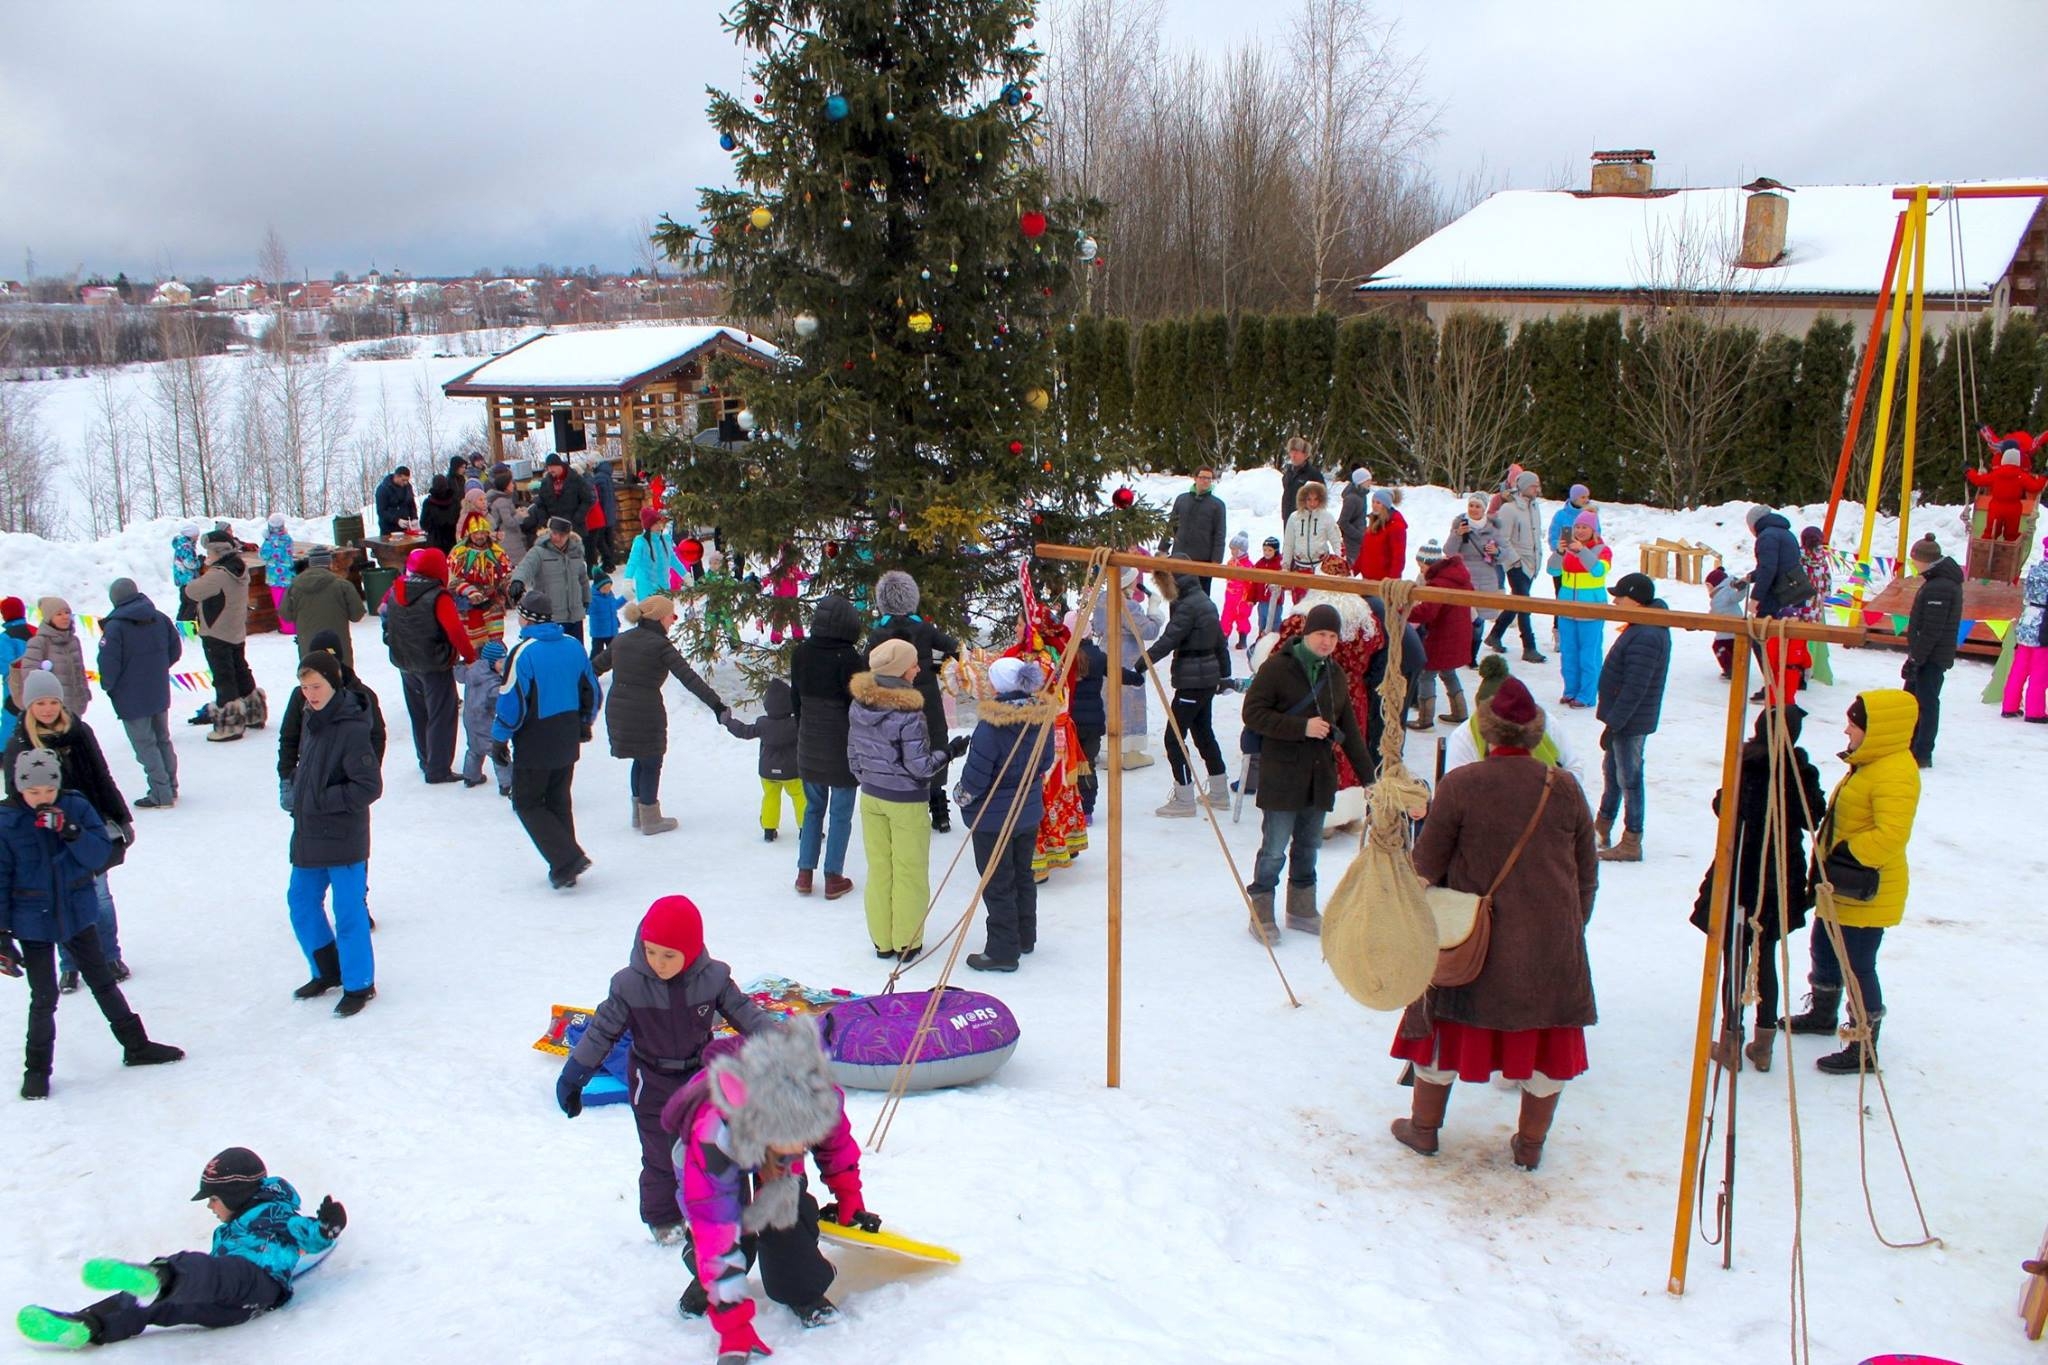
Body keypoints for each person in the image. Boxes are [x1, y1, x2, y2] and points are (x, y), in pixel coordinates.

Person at [1389, 676, 1599, 1170]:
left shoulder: (1462, 784)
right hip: (1548, 940)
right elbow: (1587, 872)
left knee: (1442, 1027)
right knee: (1547, 1046)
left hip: (1471, 938)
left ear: (1487, 731)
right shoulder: (1565, 787)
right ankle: (1530, 1145)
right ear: (1534, 735)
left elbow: (1425, 866)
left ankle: (1423, 1130)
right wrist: (1571, 929)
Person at [555, 895, 774, 1243]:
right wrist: (574, 1075)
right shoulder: (629, 985)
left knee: (709, 1147)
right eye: (650, 951)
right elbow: (603, 1030)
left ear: (690, 951)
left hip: (699, 1078)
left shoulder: (712, 979)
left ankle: (716, 1211)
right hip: (650, 1080)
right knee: (659, 1154)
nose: (658, 962)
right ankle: (663, 1218)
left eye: (669, 955)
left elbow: (746, 1013)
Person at [659, 1023, 869, 1351]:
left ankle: (800, 1288)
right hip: (713, 1149)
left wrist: (849, 1196)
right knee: (729, 1238)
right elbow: (714, 1230)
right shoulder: (711, 1138)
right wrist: (734, 1330)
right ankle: (706, 1283)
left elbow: (836, 1142)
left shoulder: (816, 1095)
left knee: (785, 1215)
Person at [13, 1148, 341, 1347]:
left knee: (199, 1269)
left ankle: (162, 1276)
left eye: (213, 1198)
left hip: (259, 1283)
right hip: (227, 1305)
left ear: (237, 1194)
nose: (210, 1206)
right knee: (152, 1304)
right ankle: (87, 1326)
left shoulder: (274, 1213)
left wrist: (326, 1227)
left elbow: (308, 1234)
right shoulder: (228, 1231)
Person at [1, 748, 182, 1100]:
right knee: (43, 997)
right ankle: (36, 1069)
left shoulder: (75, 806)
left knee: (103, 981)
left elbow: (99, 855)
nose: (41, 798)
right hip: (31, 921)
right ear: (19, 787)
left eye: (47, 790)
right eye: (33, 792)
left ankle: (136, 1045)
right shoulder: (7, 822)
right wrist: (3, 934)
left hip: (77, 912)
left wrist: (70, 831)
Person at [1785, 691, 1921, 1073]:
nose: (1846, 729)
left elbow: (1892, 833)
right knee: (1824, 949)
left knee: (1857, 964)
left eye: (1855, 724)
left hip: (1865, 889)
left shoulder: (1895, 772)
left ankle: (1864, 1043)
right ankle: (1823, 1013)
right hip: (1840, 885)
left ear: (1876, 731)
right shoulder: (1871, 763)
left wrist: (1846, 852)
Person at [1694, 706, 1826, 1074]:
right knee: (1766, 953)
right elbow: (1814, 817)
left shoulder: (1746, 764)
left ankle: (1732, 1039)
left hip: (1741, 871)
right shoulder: (1798, 771)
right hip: (1778, 875)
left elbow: (1724, 806)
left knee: (1735, 956)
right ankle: (1763, 1044)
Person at [1239, 602, 1375, 944]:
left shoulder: (1335, 676)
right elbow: (1253, 713)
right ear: (1307, 634)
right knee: (1273, 849)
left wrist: (1369, 778)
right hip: (1282, 776)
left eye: (1332, 635)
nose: (1327, 642)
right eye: (1321, 634)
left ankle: (1301, 909)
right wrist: (1301, 727)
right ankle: (1261, 912)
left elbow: (1352, 732)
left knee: (1308, 847)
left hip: (1318, 777)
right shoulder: (1277, 669)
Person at [5, 670, 136, 991]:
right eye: (40, 703)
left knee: (100, 895)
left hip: (88, 826)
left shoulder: (79, 732)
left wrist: (120, 816)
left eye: (53, 702)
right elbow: (14, 796)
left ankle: (110, 955)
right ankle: (69, 964)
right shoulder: (19, 742)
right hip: (45, 834)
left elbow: (101, 775)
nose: (48, 709)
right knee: (60, 895)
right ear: (29, 705)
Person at [849, 639, 967, 959]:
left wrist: (872, 779)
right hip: (905, 802)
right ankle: (907, 942)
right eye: (914, 663)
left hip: (871, 798)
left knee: (879, 870)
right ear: (900, 670)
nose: (918, 668)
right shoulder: (909, 712)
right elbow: (920, 767)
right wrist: (950, 752)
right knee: (909, 871)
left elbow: (853, 756)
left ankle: (882, 940)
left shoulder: (859, 704)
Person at [280, 652, 382, 1017]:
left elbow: (369, 787)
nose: (310, 694)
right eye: (304, 687)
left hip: (343, 836)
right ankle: (327, 970)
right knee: (301, 902)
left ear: (333, 683)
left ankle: (359, 984)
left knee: (348, 911)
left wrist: (322, 799)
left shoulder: (352, 727)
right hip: (309, 832)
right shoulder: (311, 719)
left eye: (317, 686)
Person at [957, 657, 1060, 972]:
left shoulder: (992, 726)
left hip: (993, 819)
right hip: (1027, 811)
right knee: (1022, 874)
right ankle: (1024, 936)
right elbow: (1045, 761)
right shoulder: (1041, 717)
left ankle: (1002, 951)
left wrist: (960, 796)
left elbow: (976, 779)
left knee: (998, 882)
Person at [493, 591, 602, 889]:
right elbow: (592, 690)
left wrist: (499, 739)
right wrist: (584, 723)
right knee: (558, 799)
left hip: (535, 738)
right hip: (567, 733)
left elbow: (511, 703)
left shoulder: (523, 652)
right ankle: (565, 866)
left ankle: (567, 859)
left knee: (526, 801)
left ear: (526, 618)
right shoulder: (573, 646)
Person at [601, 594, 728, 834]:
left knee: (640, 758)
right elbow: (689, 678)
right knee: (651, 759)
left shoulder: (621, 640)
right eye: (672, 615)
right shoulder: (660, 645)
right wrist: (717, 705)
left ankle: (639, 815)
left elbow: (593, 668)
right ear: (659, 617)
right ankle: (650, 818)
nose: (673, 620)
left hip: (618, 706)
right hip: (645, 708)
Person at [865, 570, 964, 834]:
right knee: (932, 743)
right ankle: (939, 810)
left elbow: (865, 665)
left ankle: (902, 804)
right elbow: (954, 646)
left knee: (897, 746)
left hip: (891, 699)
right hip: (926, 698)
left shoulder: (878, 634)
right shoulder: (923, 628)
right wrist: (938, 667)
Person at [1127, 571, 1228, 818]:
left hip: (1193, 681)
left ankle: (1184, 798)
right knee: (1203, 733)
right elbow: (1221, 642)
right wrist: (1224, 675)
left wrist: (1140, 665)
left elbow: (1169, 640)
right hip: (1206, 679)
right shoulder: (1204, 600)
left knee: (1174, 739)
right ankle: (1219, 791)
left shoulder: (1187, 606)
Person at [380, 546, 476, 784]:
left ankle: (425, 760)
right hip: (433, 664)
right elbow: (455, 630)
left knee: (419, 713)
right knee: (442, 715)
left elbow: (388, 622)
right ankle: (438, 768)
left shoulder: (396, 589)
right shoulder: (438, 596)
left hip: (405, 663)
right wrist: (470, 657)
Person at [1593, 573, 1671, 863]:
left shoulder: (1647, 634)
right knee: (1613, 775)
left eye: (1620, 596)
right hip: (1624, 718)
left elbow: (1635, 686)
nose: (1615, 601)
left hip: (1629, 720)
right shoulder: (1642, 627)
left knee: (1629, 778)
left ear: (1636, 600)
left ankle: (1631, 840)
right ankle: (1601, 828)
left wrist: (1615, 724)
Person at [791, 595, 864, 900]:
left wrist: (803, 732)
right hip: (843, 746)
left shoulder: (801, 653)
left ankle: (804, 873)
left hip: (810, 742)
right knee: (841, 813)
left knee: (813, 808)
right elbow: (857, 705)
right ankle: (833, 876)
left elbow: (796, 699)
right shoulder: (850, 659)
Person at [278, 630, 388, 814]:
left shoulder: (361, 696)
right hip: (308, 783)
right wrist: (287, 777)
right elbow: (289, 737)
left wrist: (361, 779)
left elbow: (376, 737)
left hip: (345, 793)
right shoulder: (301, 696)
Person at [96, 578, 183, 811]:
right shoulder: (160, 618)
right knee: (162, 738)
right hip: (158, 689)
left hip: (130, 694)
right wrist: (157, 669)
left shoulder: (115, 627)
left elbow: (108, 662)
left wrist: (109, 685)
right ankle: (171, 787)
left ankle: (160, 793)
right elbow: (175, 649)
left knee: (145, 743)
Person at [1442, 655, 1588, 785]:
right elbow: (1457, 789)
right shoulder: (1465, 736)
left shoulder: (1546, 723)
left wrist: (1549, 790)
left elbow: (1574, 768)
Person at [186, 538, 261, 742]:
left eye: (209, 553)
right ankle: (254, 712)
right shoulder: (239, 568)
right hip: (235, 628)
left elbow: (191, 591)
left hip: (216, 631)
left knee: (223, 676)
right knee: (240, 670)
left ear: (216, 553)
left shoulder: (218, 574)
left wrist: (204, 570)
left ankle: (230, 724)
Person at [1899, 534, 1963, 768]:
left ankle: (1922, 750)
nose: (1913, 564)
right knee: (1913, 701)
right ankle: (1911, 743)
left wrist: (1917, 658)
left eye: (1914, 559)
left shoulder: (1940, 587)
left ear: (1924, 560)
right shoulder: (1936, 582)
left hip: (1931, 656)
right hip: (1926, 654)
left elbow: (1932, 630)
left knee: (1926, 703)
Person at [1095, 567, 1166, 769]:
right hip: (1127, 657)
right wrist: (1154, 611)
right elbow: (1149, 631)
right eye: (1135, 579)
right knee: (1129, 703)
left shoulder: (1102, 600)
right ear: (1127, 582)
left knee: (1109, 701)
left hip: (1106, 652)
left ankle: (1109, 748)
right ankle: (1130, 752)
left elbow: (1098, 627)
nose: (1137, 583)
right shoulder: (1129, 606)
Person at [1406, 541, 1475, 731]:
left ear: (1431, 564)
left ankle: (1425, 718)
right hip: (1459, 632)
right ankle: (1460, 712)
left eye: (1422, 566)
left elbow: (1428, 612)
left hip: (1442, 635)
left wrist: (1403, 611)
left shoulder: (1438, 584)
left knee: (1427, 674)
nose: (1421, 571)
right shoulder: (1460, 578)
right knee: (1448, 671)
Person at [723, 680, 803, 842]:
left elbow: (744, 731)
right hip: (792, 771)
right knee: (800, 797)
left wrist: (728, 722)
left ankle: (769, 829)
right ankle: (806, 828)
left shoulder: (762, 724)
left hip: (767, 771)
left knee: (770, 797)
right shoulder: (796, 723)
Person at [1485, 470, 1546, 662]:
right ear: (1524, 487)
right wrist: (1515, 561)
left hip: (1532, 562)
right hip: (1516, 563)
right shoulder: (1509, 509)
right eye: (1533, 485)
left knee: (1518, 601)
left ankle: (1495, 634)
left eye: (1537, 485)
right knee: (1524, 603)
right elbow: (1503, 538)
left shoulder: (1535, 508)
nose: (1537, 489)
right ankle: (1529, 646)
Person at [278, 547, 366, 668]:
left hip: (308, 646)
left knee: (314, 679)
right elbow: (357, 615)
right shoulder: (342, 585)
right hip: (337, 645)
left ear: (310, 564)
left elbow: (286, 615)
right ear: (330, 563)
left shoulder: (294, 586)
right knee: (341, 678)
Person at [510, 516, 592, 643]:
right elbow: (525, 567)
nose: (557, 538)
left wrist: (586, 599)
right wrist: (518, 581)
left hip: (574, 615)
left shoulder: (575, 552)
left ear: (568, 535)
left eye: (562, 535)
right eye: (554, 533)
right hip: (550, 616)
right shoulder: (539, 552)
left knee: (574, 650)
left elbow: (582, 579)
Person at [1556, 512, 1609, 708]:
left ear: (1593, 530)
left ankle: (1587, 695)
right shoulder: (1568, 549)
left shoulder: (1602, 549)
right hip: (1566, 609)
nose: (1579, 531)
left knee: (1589, 655)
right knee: (1568, 653)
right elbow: (1552, 570)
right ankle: (1570, 690)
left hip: (1592, 610)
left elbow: (1598, 571)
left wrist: (1582, 552)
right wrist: (1559, 553)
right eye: (1577, 527)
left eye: (1584, 527)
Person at [1445, 492, 1503, 656]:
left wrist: (1496, 551)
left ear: (1484, 509)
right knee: (1462, 616)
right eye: (1471, 505)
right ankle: (1461, 651)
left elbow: (1505, 553)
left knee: (1479, 619)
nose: (1473, 509)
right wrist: (1457, 535)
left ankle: (1472, 655)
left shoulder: (1493, 527)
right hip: (1463, 576)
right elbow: (1448, 550)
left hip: (1486, 575)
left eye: (1477, 506)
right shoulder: (1459, 524)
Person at [13, 596, 89, 717]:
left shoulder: (73, 640)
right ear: (49, 618)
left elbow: (80, 671)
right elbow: (30, 677)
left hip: (76, 708)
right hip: (51, 712)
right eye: (59, 614)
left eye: (67, 612)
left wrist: (85, 694)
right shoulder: (38, 642)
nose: (65, 617)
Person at [448, 512, 513, 652]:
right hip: (470, 608)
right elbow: (453, 581)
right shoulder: (459, 553)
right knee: (475, 647)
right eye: (475, 533)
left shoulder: (497, 552)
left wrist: (512, 588)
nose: (479, 536)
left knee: (495, 644)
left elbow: (505, 576)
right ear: (468, 533)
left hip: (493, 605)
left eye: (483, 532)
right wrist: (470, 591)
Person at [2004, 534, 2048, 721]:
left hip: (2027, 619)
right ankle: (2035, 711)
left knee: (2020, 666)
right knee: (2041, 670)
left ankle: (2009, 705)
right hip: (2044, 623)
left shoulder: (2036, 570)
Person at [457, 639, 510, 794]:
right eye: (501, 662)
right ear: (492, 662)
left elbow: (459, 674)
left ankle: (471, 776)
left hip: (470, 719)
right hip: (485, 722)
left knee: (474, 748)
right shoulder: (492, 682)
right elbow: (500, 699)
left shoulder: (472, 671)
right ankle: (508, 783)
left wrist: (459, 665)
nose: (503, 665)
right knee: (498, 752)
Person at [1966, 444, 2046, 542]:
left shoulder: (1996, 473)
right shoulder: (2021, 475)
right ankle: (2009, 552)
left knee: (1990, 532)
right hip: (2014, 508)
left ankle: (1985, 549)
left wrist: (1968, 471)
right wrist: (2044, 476)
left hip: (1996, 506)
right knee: (2011, 534)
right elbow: (2035, 487)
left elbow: (1979, 480)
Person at [1168, 466, 1228, 594]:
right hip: (1179, 558)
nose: (1205, 481)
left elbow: (1219, 534)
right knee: (1176, 598)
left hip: (1202, 562)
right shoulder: (1182, 500)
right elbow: (1171, 527)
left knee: (1200, 600)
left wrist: (1216, 561)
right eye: (1202, 477)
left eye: (1209, 479)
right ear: (1195, 478)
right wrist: (1163, 548)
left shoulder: (1217, 505)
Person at [1070, 630, 1107, 824]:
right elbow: (1119, 673)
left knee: (1069, 765)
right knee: (1088, 765)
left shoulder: (1065, 655)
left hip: (1071, 722)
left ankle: (1069, 807)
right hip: (1093, 722)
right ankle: (1087, 810)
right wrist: (1137, 677)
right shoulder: (1099, 657)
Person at [1282, 480, 1341, 602]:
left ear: (1321, 500)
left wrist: (1339, 562)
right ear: (1303, 500)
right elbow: (1288, 544)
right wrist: (1285, 566)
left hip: (1320, 568)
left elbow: (1336, 541)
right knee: (1300, 605)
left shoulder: (1327, 517)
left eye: (1315, 499)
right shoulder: (1294, 518)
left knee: (1320, 604)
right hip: (1300, 568)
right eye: (1309, 499)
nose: (1312, 503)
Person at [1745, 504, 1804, 620]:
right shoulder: (1786, 533)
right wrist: (1751, 577)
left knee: (1766, 635)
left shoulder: (1767, 537)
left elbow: (1768, 569)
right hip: (1795, 592)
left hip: (1777, 598)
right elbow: (1782, 565)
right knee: (1789, 635)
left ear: (1754, 524)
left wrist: (1755, 599)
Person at [522, 453, 595, 540]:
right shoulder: (546, 483)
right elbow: (541, 504)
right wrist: (544, 521)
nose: (550, 471)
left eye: (552, 469)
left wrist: (578, 517)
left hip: (574, 528)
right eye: (548, 469)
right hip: (555, 528)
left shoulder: (576, 479)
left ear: (559, 465)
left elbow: (588, 499)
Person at [625, 505, 687, 601]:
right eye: (655, 524)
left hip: (664, 588)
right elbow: (633, 562)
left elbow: (673, 560)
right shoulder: (640, 542)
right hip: (646, 590)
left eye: (659, 523)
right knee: (650, 615)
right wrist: (627, 580)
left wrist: (685, 575)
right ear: (648, 526)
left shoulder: (665, 540)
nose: (659, 526)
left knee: (667, 615)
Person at [1547, 483, 1594, 599]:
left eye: (1587, 497)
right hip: (1562, 562)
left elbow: (1597, 536)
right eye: (1583, 497)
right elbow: (1552, 538)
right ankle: (1559, 617)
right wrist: (1559, 545)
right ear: (1574, 498)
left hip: (1583, 562)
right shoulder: (1560, 515)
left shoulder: (1591, 514)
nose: (1586, 500)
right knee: (1561, 596)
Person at [1354, 489, 1408, 583]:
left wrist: (1392, 580)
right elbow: (1364, 551)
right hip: (1367, 578)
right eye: (1373, 502)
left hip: (1384, 582)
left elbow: (1398, 556)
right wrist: (1353, 570)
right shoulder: (1373, 522)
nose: (1374, 505)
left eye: (1378, 503)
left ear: (1385, 505)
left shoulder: (1396, 526)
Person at [1, 597, 34, 749]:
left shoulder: (5, 638)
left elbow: (5, 666)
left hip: (14, 689)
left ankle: (4, 752)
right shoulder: (36, 631)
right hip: (39, 684)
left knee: (11, 719)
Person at [1704, 566, 1748, 679]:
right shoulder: (1717, 599)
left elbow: (1738, 596)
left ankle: (1730, 668)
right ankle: (1736, 667)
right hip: (1728, 630)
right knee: (1732, 649)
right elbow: (1713, 614)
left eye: (1708, 586)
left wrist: (1742, 587)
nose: (1707, 589)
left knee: (1718, 647)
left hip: (1730, 629)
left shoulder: (1726, 594)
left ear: (1716, 585)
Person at [259, 515, 297, 632]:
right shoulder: (287, 538)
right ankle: (295, 625)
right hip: (288, 575)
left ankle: (287, 628)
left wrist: (266, 540)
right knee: (291, 602)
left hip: (275, 578)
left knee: (280, 604)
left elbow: (263, 555)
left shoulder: (270, 541)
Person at [1219, 532, 1255, 651]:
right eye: (1232, 549)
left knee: (1242, 618)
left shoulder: (1249, 566)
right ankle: (1224, 637)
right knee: (1226, 617)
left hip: (1242, 599)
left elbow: (1251, 584)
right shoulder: (1231, 562)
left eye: (1235, 549)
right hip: (1230, 597)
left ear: (1242, 550)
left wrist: (1250, 598)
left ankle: (1242, 639)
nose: (1232, 552)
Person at [1277, 435, 1326, 523]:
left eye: (1296, 451)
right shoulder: (1288, 472)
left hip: (1305, 519)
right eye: (1291, 451)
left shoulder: (1313, 474)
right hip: (1288, 517)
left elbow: (1321, 497)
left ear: (1305, 455)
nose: (1293, 455)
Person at [486, 469, 529, 567]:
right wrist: (520, 515)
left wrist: (516, 512)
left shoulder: (503, 499)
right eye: (511, 483)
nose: (513, 485)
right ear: (505, 486)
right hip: (509, 540)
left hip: (510, 538)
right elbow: (509, 522)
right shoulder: (502, 501)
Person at [586, 458, 621, 572]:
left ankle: (608, 563)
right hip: (609, 511)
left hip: (603, 512)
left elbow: (601, 497)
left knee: (602, 540)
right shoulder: (606, 475)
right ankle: (610, 562)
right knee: (607, 538)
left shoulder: (599, 477)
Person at [169, 522, 204, 623]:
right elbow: (190, 563)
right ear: (191, 535)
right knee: (192, 603)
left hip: (183, 579)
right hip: (188, 579)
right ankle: (188, 629)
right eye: (196, 536)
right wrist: (199, 562)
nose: (197, 538)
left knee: (185, 604)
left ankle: (180, 625)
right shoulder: (186, 546)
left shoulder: (182, 544)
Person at [1249, 537, 1284, 637]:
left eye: (1270, 550)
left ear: (1276, 551)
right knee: (1262, 622)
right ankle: (1261, 640)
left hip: (1275, 602)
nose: (1267, 552)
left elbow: (1285, 582)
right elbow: (1254, 583)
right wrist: (1251, 599)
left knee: (1274, 622)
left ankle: (1274, 642)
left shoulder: (1280, 564)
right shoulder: (1260, 564)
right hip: (1262, 601)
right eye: (1265, 550)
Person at [1338, 468, 1373, 565]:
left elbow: (1357, 515)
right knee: (1353, 570)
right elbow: (1343, 522)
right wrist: (1359, 535)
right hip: (1352, 543)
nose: (1370, 482)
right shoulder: (1352, 498)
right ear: (1360, 481)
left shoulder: (1362, 494)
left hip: (1360, 540)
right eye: (1367, 479)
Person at [418, 474, 460, 553]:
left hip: (435, 542)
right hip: (452, 541)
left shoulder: (428, 502)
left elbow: (423, 523)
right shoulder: (455, 501)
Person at [374, 465, 417, 537]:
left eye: (407, 480)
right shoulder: (383, 489)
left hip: (405, 528)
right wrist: (397, 520)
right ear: (396, 476)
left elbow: (411, 504)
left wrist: (414, 517)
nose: (405, 482)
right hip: (388, 529)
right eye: (403, 480)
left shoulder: (408, 487)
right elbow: (381, 511)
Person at [587, 573, 623, 660]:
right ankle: (591, 670)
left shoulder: (610, 595)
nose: (608, 590)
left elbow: (615, 605)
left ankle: (618, 670)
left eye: (609, 587)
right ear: (598, 588)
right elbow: (587, 610)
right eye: (605, 588)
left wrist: (624, 598)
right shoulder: (593, 598)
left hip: (612, 631)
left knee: (615, 653)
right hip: (599, 633)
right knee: (597, 652)